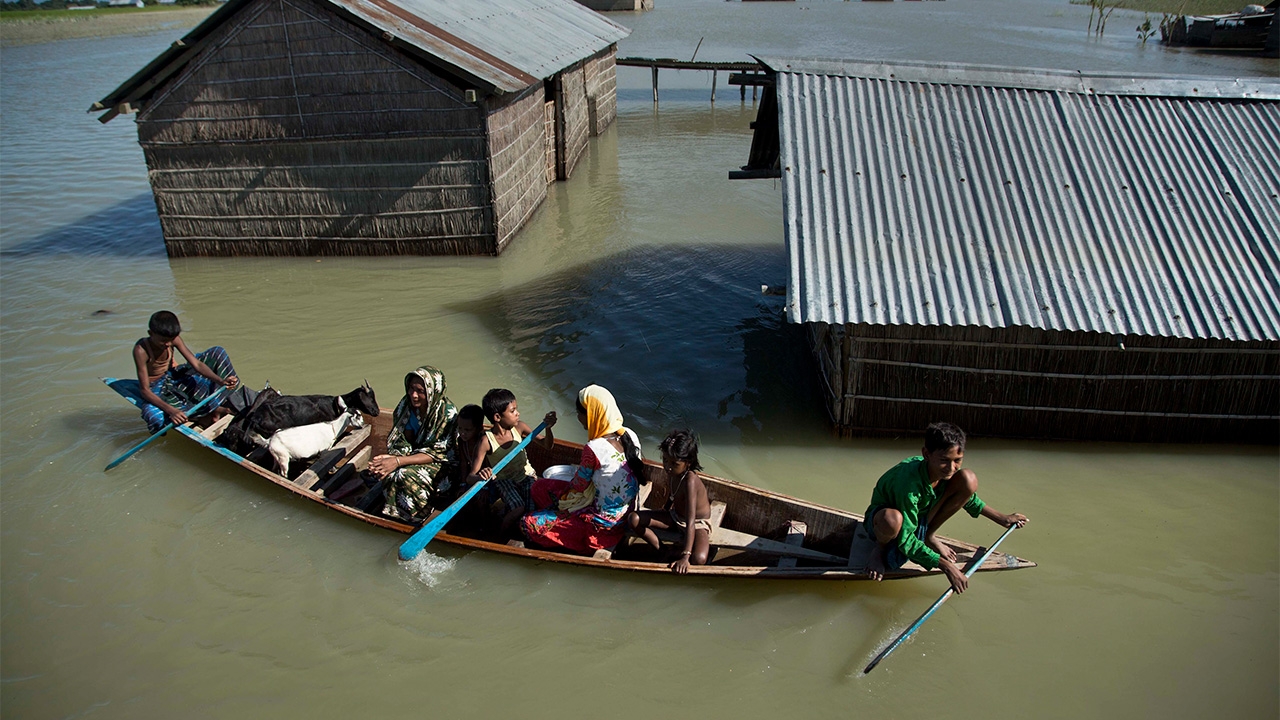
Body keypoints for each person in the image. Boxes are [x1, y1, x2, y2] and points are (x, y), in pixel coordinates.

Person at [865, 422, 1028, 593]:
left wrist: (1002, 518)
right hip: (884, 523)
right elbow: (905, 539)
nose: (951, 468)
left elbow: (968, 498)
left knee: (968, 479)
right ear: (926, 454)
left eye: (957, 460)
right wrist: (946, 566)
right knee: (892, 520)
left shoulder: (943, 472)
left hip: (920, 517)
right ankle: (879, 548)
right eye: (944, 461)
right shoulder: (908, 483)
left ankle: (929, 535)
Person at [521, 385, 643, 553]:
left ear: (592, 414)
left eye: (580, 413)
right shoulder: (630, 434)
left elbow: (578, 486)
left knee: (527, 523)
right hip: (625, 513)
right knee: (539, 487)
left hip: (601, 527)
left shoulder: (593, 448)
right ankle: (558, 517)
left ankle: (567, 530)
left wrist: (564, 500)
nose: (578, 418)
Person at [370, 366, 457, 521]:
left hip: (441, 463)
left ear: (432, 392)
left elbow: (437, 453)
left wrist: (398, 461)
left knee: (403, 474)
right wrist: (389, 459)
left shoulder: (447, 414)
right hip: (413, 456)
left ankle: (419, 514)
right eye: (411, 388)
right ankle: (397, 513)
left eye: (420, 391)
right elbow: (403, 440)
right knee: (389, 472)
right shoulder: (407, 406)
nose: (413, 395)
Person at [132, 310, 239, 432]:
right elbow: (144, 390)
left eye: (170, 340)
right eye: (163, 341)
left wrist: (221, 381)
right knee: (155, 418)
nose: (167, 344)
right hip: (157, 386)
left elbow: (197, 364)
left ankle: (208, 409)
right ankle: (199, 416)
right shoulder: (141, 350)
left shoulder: (174, 339)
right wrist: (172, 411)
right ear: (150, 333)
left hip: (173, 376)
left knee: (217, 352)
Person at [624, 429, 711, 574]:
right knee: (634, 519)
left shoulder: (690, 480)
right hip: (675, 516)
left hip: (696, 522)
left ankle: (680, 553)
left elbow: (690, 521)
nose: (667, 466)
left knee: (699, 559)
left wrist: (685, 556)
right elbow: (673, 495)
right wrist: (665, 510)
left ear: (687, 463)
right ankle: (663, 550)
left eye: (674, 463)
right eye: (665, 460)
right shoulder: (672, 472)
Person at [470, 388, 557, 534]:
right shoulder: (486, 441)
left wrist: (548, 428)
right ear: (497, 417)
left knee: (531, 510)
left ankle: (524, 532)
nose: (518, 413)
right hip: (505, 480)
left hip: (526, 476)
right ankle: (499, 535)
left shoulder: (519, 428)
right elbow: (470, 477)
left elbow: (547, 445)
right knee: (518, 508)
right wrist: (481, 476)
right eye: (513, 411)